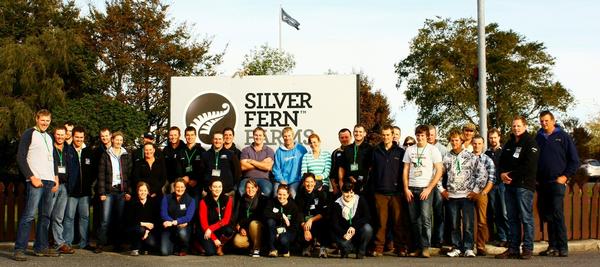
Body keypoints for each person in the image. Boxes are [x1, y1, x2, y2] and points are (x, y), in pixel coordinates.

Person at [13, 109, 60, 261]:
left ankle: (40, 248)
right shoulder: (29, 133)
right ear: (37, 119)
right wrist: (31, 177)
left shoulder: (49, 137)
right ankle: (19, 249)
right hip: (36, 181)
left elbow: (53, 159)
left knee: (45, 216)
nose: (45, 123)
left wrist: (55, 178)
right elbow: (20, 157)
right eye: (42, 120)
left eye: (47, 120)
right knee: (29, 215)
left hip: (48, 181)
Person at [535, 111, 579, 257]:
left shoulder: (563, 137)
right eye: (541, 121)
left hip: (557, 182)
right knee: (547, 215)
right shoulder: (538, 137)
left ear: (553, 121)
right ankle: (552, 247)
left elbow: (574, 161)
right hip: (542, 183)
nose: (544, 123)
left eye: (546, 120)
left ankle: (562, 246)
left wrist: (565, 176)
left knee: (557, 213)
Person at [495, 116, 539, 260]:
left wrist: (510, 174)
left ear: (525, 126)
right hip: (509, 186)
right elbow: (501, 161)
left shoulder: (530, 143)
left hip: (524, 186)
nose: (516, 128)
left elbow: (528, 166)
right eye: (514, 126)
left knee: (526, 218)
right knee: (512, 218)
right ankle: (513, 248)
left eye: (518, 126)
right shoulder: (509, 143)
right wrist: (502, 174)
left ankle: (527, 248)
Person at [441, 130, 487, 258]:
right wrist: (441, 190)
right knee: (454, 225)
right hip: (452, 195)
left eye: (457, 140)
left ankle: (468, 248)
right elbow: (438, 174)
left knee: (468, 224)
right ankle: (456, 247)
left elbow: (483, 174)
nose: (454, 143)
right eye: (452, 140)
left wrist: (476, 191)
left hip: (467, 196)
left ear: (462, 141)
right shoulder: (447, 157)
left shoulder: (470, 156)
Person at [402, 125, 443, 258]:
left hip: (425, 188)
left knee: (425, 219)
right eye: (418, 135)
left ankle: (425, 247)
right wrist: (406, 189)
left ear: (427, 136)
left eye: (422, 135)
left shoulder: (433, 150)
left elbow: (439, 170)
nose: (420, 138)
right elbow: (405, 170)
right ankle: (417, 247)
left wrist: (429, 188)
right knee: (414, 220)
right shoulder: (409, 149)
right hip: (411, 189)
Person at [369, 125, 408, 257]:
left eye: (388, 135)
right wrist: (374, 189)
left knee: (398, 222)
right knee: (381, 223)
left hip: (396, 193)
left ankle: (400, 248)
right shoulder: (376, 150)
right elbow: (371, 171)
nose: (385, 137)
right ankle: (378, 248)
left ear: (393, 135)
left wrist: (403, 189)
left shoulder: (400, 152)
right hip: (380, 193)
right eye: (383, 135)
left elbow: (404, 172)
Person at [96, 131, 132, 253]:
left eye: (121, 140)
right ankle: (100, 244)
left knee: (120, 219)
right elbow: (101, 175)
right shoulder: (106, 155)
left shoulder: (126, 155)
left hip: (121, 191)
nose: (119, 142)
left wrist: (128, 191)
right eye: (117, 140)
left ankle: (118, 245)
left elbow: (129, 175)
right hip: (108, 191)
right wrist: (101, 193)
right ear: (112, 140)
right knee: (105, 220)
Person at [64, 127, 95, 251]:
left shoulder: (88, 151)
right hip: (72, 191)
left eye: (81, 137)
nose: (79, 139)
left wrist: (89, 183)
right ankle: (68, 242)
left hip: (85, 191)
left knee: (85, 217)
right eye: (77, 137)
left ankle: (84, 242)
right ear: (73, 136)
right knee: (69, 217)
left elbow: (93, 171)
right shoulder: (68, 150)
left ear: (84, 138)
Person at [330, 182, 373, 259]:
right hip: (344, 233)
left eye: (351, 192)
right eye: (346, 192)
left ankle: (360, 251)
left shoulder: (360, 200)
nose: (349, 195)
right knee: (344, 244)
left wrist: (354, 226)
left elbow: (367, 217)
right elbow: (334, 224)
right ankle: (347, 249)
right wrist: (344, 234)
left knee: (368, 229)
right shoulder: (336, 204)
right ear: (342, 192)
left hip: (357, 230)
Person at [51, 126, 75, 254]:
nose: (60, 137)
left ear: (66, 135)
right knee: (47, 214)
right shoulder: (49, 148)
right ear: (54, 135)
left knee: (59, 216)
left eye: (62, 135)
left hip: (65, 186)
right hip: (52, 185)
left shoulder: (68, 149)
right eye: (58, 134)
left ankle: (59, 242)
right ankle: (44, 242)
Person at [471, 135, 496, 256]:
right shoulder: (466, 158)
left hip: (481, 193)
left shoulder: (488, 160)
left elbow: (491, 178)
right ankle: (468, 246)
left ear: (483, 144)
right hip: (468, 193)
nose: (477, 146)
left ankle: (480, 246)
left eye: (479, 143)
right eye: (475, 143)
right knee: (467, 220)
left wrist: (485, 191)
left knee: (482, 221)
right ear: (472, 144)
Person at [295, 173, 329, 258]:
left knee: (325, 222)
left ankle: (323, 247)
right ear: (303, 183)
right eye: (307, 182)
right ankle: (306, 246)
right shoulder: (299, 195)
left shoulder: (321, 194)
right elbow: (299, 212)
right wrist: (304, 226)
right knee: (296, 225)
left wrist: (311, 220)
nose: (309, 184)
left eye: (311, 182)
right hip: (304, 222)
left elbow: (323, 213)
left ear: (314, 183)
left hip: (316, 220)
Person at [485, 128, 509, 248]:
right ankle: (502, 237)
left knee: (504, 212)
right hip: (491, 186)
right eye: (491, 137)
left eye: (495, 137)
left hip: (503, 185)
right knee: (495, 212)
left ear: (499, 138)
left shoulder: (505, 151)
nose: (493, 140)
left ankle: (510, 237)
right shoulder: (487, 153)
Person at [232, 179, 268, 257]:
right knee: (237, 242)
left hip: (258, 228)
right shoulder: (242, 199)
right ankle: (251, 247)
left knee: (253, 224)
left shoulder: (262, 199)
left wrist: (242, 224)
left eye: (252, 187)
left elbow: (258, 216)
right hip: (246, 229)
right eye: (248, 188)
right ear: (245, 189)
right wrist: (240, 227)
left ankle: (257, 248)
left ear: (256, 188)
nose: (250, 190)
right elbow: (236, 215)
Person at [199, 178, 235, 256]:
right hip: (206, 229)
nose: (217, 189)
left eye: (219, 187)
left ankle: (220, 246)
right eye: (215, 187)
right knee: (210, 252)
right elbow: (204, 224)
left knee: (229, 230)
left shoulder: (228, 199)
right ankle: (197, 244)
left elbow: (226, 220)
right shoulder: (204, 201)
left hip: (219, 227)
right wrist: (214, 238)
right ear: (210, 188)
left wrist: (211, 228)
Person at [160, 178, 195, 256]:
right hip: (169, 229)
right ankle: (175, 246)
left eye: (182, 187)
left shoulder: (190, 200)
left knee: (182, 233)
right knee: (164, 252)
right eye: (177, 187)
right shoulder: (166, 198)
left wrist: (173, 222)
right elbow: (163, 214)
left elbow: (188, 217)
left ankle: (184, 248)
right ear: (174, 187)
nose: (180, 189)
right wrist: (175, 223)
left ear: (185, 188)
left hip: (183, 227)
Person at [265, 184, 302, 257]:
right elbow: (265, 213)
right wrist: (282, 216)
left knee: (283, 239)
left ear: (288, 195)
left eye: (284, 194)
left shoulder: (293, 206)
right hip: (274, 231)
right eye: (279, 194)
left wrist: (283, 231)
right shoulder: (272, 202)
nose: (281, 197)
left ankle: (285, 249)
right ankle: (272, 249)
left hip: (288, 231)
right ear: (277, 193)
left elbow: (295, 226)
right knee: (270, 221)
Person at [426, 125, 448, 248]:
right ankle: (427, 241)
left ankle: (438, 239)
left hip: (439, 186)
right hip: (425, 185)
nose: (430, 137)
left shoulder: (442, 149)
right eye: (428, 134)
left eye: (432, 134)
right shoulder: (423, 148)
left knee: (439, 213)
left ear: (436, 135)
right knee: (426, 214)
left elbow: (446, 168)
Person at [202, 132, 241, 196]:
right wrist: (204, 189)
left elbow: (237, 172)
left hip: (227, 191)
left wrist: (232, 188)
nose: (217, 141)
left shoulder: (231, 154)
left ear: (223, 140)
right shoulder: (205, 154)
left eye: (220, 139)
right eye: (215, 139)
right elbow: (202, 171)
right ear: (212, 140)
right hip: (209, 191)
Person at [272, 127, 308, 198]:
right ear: (282, 137)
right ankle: (277, 209)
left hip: (296, 180)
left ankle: (292, 209)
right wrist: (281, 180)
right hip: (281, 180)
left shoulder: (301, 149)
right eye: (285, 136)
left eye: (289, 136)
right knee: (276, 194)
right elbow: (276, 169)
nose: (287, 138)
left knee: (293, 194)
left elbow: (306, 164)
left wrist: (303, 179)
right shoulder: (279, 151)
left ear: (293, 136)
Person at [239, 127, 275, 197]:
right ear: (253, 136)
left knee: (267, 191)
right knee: (241, 190)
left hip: (264, 179)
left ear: (264, 137)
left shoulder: (269, 150)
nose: (258, 137)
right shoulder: (246, 150)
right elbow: (243, 167)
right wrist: (262, 163)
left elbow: (268, 167)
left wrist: (252, 161)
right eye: (256, 135)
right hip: (248, 178)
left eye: (260, 135)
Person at [127, 182, 159, 256]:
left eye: (145, 190)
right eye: (140, 190)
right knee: (140, 229)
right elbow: (129, 219)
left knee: (152, 243)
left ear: (148, 191)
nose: (143, 193)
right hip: (134, 228)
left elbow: (155, 219)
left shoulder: (152, 202)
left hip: (148, 230)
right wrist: (144, 224)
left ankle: (143, 247)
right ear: (137, 191)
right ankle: (134, 248)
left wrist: (147, 231)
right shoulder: (132, 202)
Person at [339, 124, 373, 193]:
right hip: (349, 186)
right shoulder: (347, 149)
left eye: (360, 132)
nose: (358, 134)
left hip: (365, 187)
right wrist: (341, 183)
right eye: (356, 131)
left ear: (364, 134)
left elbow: (372, 168)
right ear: (353, 133)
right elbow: (342, 168)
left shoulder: (370, 149)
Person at [181, 126, 205, 198]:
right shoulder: (181, 151)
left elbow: (202, 168)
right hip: (184, 182)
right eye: (188, 135)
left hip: (197, 183)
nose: (190, 137)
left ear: (195, 136)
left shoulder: (202, 151)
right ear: (185, 136)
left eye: (192, 135)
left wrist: (195, 180)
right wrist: (184, 178)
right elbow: (178, 167)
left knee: (195, 205)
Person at [330, 128, 352, 196]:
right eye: (342, 137)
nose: (344, 139)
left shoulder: (356, 151)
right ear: (339, 138)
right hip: (339, 187)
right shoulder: (335, 153)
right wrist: (334, 186)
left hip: (353, 187)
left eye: (346, 137)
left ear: (351, 137)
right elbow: (332, 171)